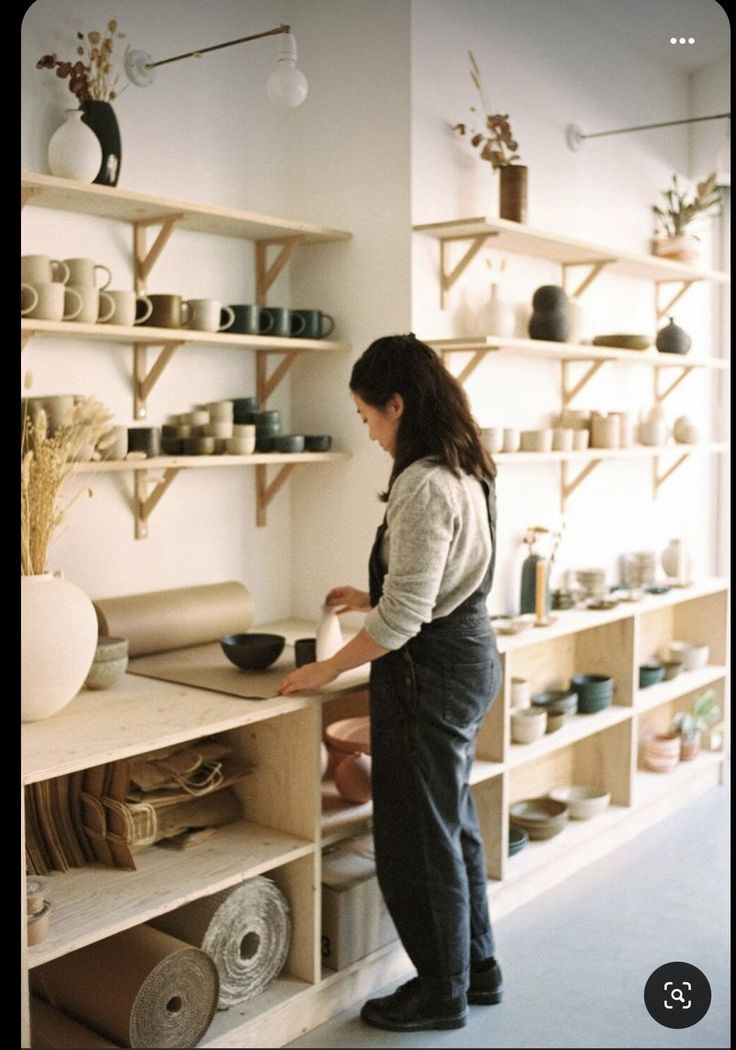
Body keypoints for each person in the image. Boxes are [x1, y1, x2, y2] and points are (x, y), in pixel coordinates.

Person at [278, 333, 502, 1032]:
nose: (371, 434)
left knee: (413, 839)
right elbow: (434, 589)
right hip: (465, 660)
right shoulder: (467, 468)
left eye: (369, 419)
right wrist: (367, 604)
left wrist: (328, 666)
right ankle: (478, 970)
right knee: (451, 823)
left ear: (398, 405)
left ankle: (441, 992)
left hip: (427, 677)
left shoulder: (424, 484)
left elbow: (408, 617)